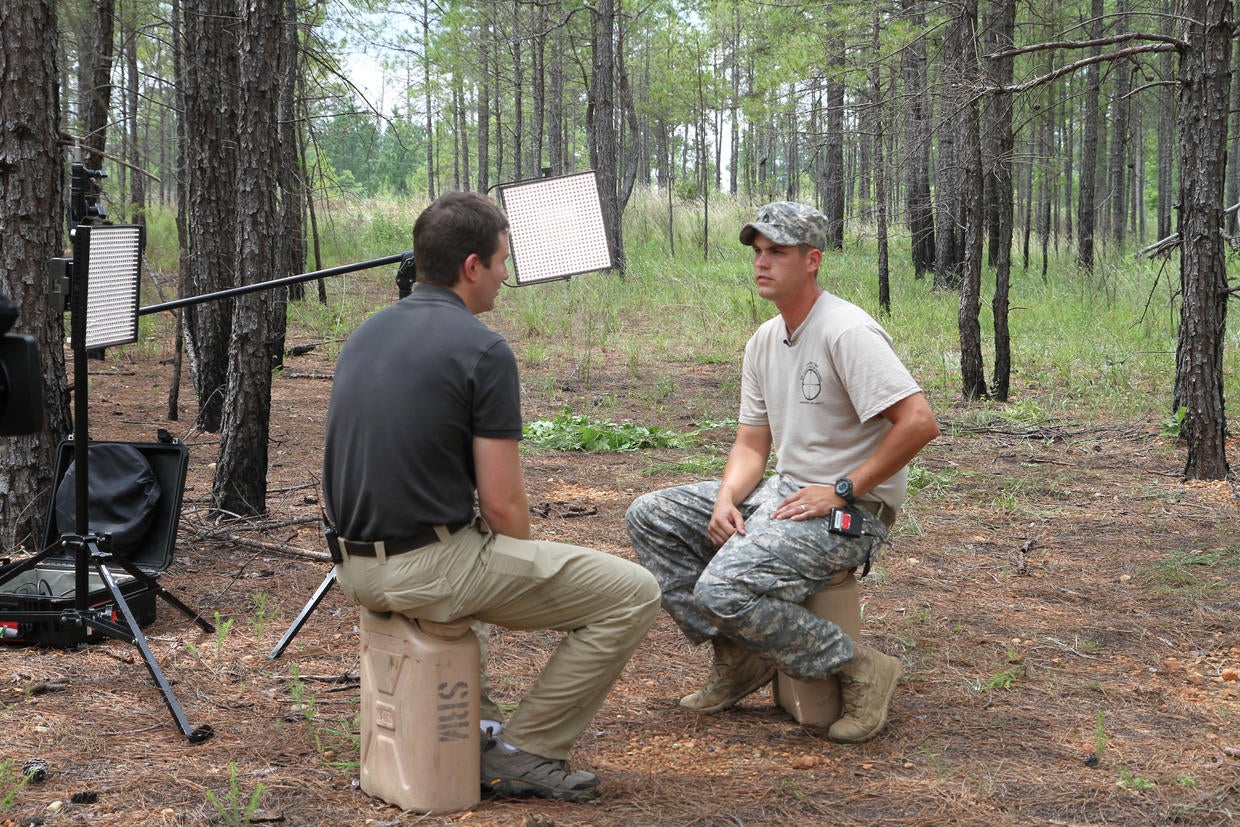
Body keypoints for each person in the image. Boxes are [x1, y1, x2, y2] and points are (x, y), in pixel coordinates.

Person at [323, 191, 660, 801]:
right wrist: (515, 579)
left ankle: (475, 731)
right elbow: (504, 507)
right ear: (471, 266)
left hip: (354, 567)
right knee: (632, 593)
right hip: (426, 567)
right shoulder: (483, 349)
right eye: (502, 261)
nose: (507, 275)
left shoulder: (366, 333)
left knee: (473, 564)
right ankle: (526, 752)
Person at [625, 201, 939, 744]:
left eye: (778, 252)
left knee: (720, 589)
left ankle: (859, 667)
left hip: (851, 512)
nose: (762, 263)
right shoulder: (766, 340)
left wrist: (842, 490)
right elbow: (752, 443)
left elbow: (918, 422)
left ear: (812, 260)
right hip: (786, 493)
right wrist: (726, 497)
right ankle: (739, 656)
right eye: (758, 252)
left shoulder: (846, 331)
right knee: (652, 515)